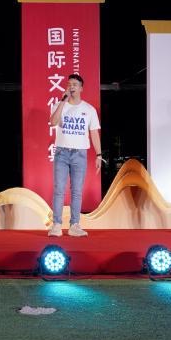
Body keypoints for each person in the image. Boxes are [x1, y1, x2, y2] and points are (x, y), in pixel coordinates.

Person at [48, 74, 102, 237]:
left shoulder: (89, 110)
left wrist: (99, 154)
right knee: (59, 189)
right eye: (69, 84)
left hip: (80, 154)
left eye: (75, 84)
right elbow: (53, 122)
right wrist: (62, 101)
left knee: (77, 191)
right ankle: (57, 225)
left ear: (81, 88)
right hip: (62, 153)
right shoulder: (59, 105)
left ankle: (74, 225)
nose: (71, 87)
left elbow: (94, 133)